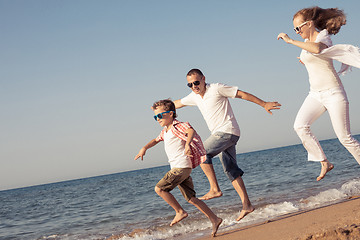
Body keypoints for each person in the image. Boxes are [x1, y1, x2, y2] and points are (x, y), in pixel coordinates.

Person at [174, 69, 281, 221]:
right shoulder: (194, 97)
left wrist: (264, 104)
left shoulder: (217, 88)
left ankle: (215, 189)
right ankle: (247, 205)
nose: (194, 86)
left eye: (196, 82)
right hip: (225, 135)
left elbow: (242, 94)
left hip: (227, 131)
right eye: (190, 84)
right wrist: (161, 109)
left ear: (204, 79)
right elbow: (177, 103)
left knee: (202, 153)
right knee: (231, 170)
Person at [277, 6, 360, 181]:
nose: (297, 32)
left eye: (298, 28)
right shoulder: (307, 43)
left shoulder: (323, 37)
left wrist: (291, 41)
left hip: (333, 93)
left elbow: (317, 49)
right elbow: (314, 57)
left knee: (345, 137)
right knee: (300, 126)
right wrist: (305, 61)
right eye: (295, 29)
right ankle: (324, 161)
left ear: (309, 24)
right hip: (315, 94)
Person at [134, 99, 222, 237]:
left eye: (160, 116)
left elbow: (190, 131)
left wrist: (187, 144)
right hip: (182, 169)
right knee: (191, 199)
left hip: (180, 168)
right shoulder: (165, 131)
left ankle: (180, 212)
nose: (157, 119)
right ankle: (214, 219)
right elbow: (156, 140)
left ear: (170, 114)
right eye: (155, 117)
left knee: (159, 189)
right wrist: (144, 148)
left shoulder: (178, 126)